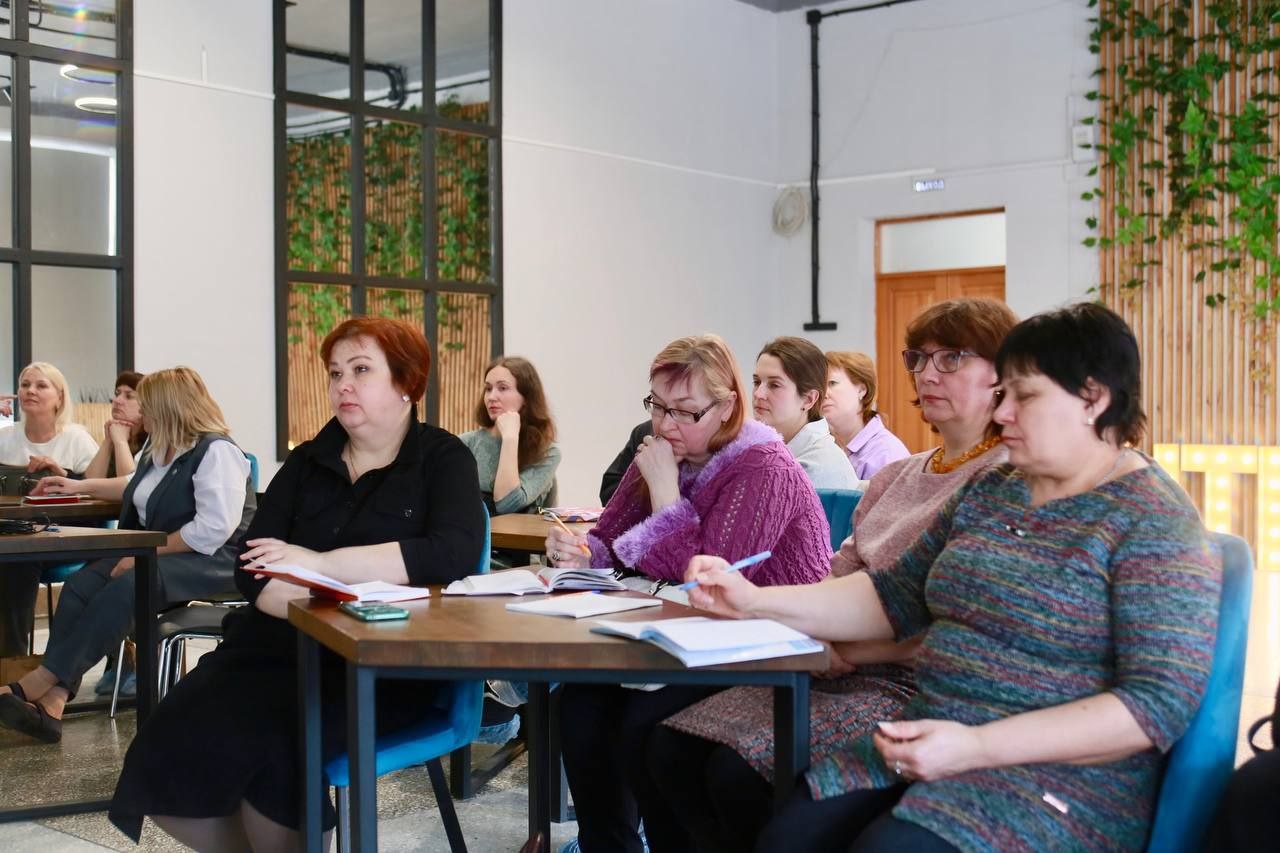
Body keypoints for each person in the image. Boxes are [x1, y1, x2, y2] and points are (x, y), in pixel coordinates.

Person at [679, 303, 1220, 852]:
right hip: (934, 735)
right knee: (785, 837)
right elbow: (891, 596)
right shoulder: (994, 488)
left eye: (1024, 397)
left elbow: (1154, 705)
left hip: (1058, 783)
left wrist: (977, 746)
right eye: (1003, 394)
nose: (1002, 412)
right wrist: (753, 600)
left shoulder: (1151, 518)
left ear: (1093, 399)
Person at [651, 297, 1016, 851]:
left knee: (735, 774)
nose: (926, 374)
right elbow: (839, 578)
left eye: (951, 359)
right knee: (668, 748)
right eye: (919, 359)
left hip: (905, 682)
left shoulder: (1002, 480)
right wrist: (813, 633)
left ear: (1004, 376)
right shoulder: (897, 476)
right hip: (832, 661)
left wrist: (841, 647)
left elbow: (958, 622)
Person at [107, 317, 486, 850]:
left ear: (407, 382)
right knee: (164, 743)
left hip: (379, 664)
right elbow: (253, 566)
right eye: (335, 373)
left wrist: (318, 564)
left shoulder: (443, 459)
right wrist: (326, 598)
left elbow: (449, 553)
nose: (343, 385)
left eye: (361, 370)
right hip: (271, 650)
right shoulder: (308, 460)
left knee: (280, 749)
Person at [543, 333, 832, 853]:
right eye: (657, 406)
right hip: (681, 634)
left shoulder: (764, 466)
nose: (665, 424)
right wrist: (579, 554)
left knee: (644, 725)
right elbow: (611, 539)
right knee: (580, 707)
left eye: (684, 411)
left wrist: (664, 491)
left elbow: (710, 577)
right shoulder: (664, 450)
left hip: (762, 641)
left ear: (726, 407)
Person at [0, 367, 255, 743]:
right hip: (164, 552)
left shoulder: (217, 451)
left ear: (168, 406)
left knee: (130, 585)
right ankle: (53, 704)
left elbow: (213, 529)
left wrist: (144, 553)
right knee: (81, 585)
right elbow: (133, 487)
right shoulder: (159, 448)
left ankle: (39, 681)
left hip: (216, 560)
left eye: (146, 405)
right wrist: (77, 485)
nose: (140, 413)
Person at [0, 362, 100, 658]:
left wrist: (65, 477)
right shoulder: (5, 437)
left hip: (66, 536)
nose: (30, 390)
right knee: (14, 555)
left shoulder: (77, 439)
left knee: (17, 560)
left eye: (41, 385)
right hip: (14, 532)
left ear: (60, 397)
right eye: (25, 385)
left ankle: (13, 660)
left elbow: (99, 488)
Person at [753, 336, 859, 490]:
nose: (758, 394)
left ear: (809, 399)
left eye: (774, 385)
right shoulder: (770, 451)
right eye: (757, 382)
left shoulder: (813, 468)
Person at [460, 356, 560, 516]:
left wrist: (510, 438)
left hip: (521, 533)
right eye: (488, 389)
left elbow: (507, 505)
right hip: (474, 532)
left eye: (502, 388)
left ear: (526, 397)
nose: (491, 397)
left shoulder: (547, 453)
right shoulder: (464, 444)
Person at [822, 351, 909, 482]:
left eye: (832, 383)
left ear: (862, 390)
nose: (823, 394)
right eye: (820, 386)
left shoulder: (886, 454)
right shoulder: (826, 447)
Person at [84, 371, 148, 479]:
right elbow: (90, 482)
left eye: (129, 396)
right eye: (117, 394)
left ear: (147, 404)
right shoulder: (116, 434)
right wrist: (108, 442)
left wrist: (121, 442)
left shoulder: (153, 442)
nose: (116, 400)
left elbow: (129, 485)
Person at [600, 421, 653, 505]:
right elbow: (609, 492)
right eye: (658, 409)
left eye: (674, 415)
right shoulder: (643, 432)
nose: (665, 426)